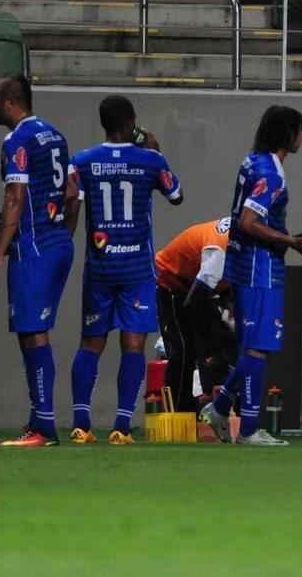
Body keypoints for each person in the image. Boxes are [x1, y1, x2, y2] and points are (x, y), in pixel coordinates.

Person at [63, 96, 183, 445]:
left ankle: (81, 424)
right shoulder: (150, 159)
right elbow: (176, 194)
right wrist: (156, 150)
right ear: (131, 123)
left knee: (91, 343)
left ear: (104, 123)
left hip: (100, 266)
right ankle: (121, 426)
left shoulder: (82, 161)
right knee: (133, 344)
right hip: (136, 269)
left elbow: (71, 203)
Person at [201, 106, 302, 446]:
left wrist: (283, 236)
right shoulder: (272, 174)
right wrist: (289, 241)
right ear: (289, 134)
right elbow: (249, 222)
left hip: (241, 262)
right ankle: (249, 430)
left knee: (253, 347)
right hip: (258, 267)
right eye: (299, 130)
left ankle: (219, 408)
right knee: (258, 350)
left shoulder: (253, 161)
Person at [0, 75, 75, 448]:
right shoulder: (55, 135)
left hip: (34, 247)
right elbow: (72, 192)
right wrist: (62, 234)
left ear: (10, 102)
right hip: (57, 243)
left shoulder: (16, 140)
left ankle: (44, 428)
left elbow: (15, 197)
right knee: (31, 331)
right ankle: (38, 420)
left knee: (34, 333)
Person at [155, 217, 239, 412]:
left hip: (200, 281)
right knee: (184, 349)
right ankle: (180, 410)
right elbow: (194, 302)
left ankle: (215, 402)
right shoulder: (219, 250)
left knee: (223, 340)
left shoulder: (247, 236)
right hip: (172, 280)